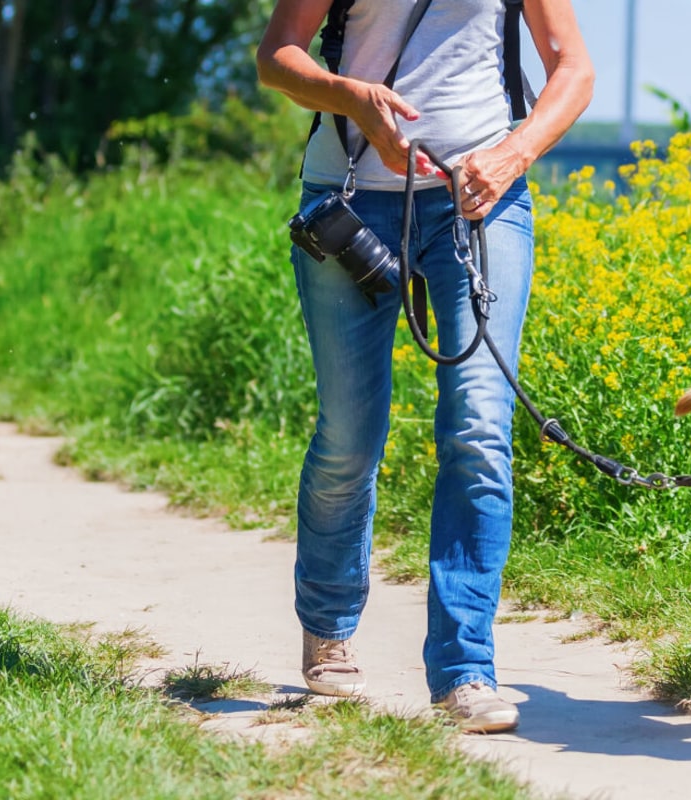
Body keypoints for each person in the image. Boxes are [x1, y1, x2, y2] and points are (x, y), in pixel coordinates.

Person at [255, 0, 593, 733]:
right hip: (347, 200)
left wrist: (514, 153)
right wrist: (348, 96)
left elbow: (573, 68)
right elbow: (277, 52)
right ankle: (329, 625)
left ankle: (466, 669)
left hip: (480, 202)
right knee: (349, 436)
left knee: (479, 426)